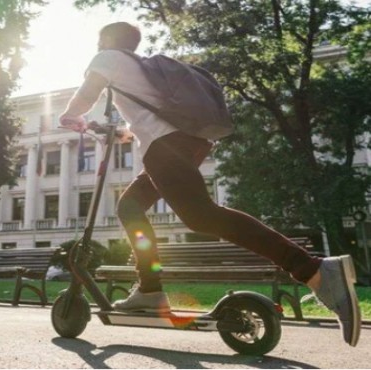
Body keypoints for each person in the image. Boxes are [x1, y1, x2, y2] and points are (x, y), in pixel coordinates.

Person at [59, 22, 361, 347]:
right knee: (130, 206)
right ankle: (149, 290)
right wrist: (123, 133)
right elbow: (150, 118)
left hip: (165, 148)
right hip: (184, 143)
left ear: (105, 41)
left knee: (201, 216)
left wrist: (69, 115)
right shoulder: (138, 68)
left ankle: (313, 269)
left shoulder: (107, 57)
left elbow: (87, 93)